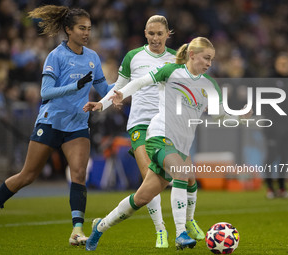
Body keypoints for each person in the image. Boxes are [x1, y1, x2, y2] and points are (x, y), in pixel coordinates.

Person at [83, 37, 252, 251]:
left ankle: (100, 226)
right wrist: (119, 94)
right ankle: (181, 232)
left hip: (180, 146)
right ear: (192, 55)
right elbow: (141, 82)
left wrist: (239, 117)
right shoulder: (171, 71)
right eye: (206, 58)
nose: (209, 63)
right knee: (183, 173)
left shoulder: (210, 85)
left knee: (142, 197)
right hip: (158, 136)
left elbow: (219, 115)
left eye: (212, 59)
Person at [0, 5, 113, 246]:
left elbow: (104, 90)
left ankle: (77, 230)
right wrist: (76, 86)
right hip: (50, 121)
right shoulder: (55, 56)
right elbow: (45, 91)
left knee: (79, 174)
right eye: (82, 28)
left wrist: (129, 88)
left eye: (89, 29)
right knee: (28, 175)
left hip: (77, 124)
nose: (86, 33)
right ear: (68, 30)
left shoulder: (93, 57)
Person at [86, 15, 204, 248]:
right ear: (145, 33)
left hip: (169, 125)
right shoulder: (133, 57)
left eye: (160, 33)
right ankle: (161, 230)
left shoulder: (176, 59)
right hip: (141, 124)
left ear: (168, 33)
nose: (155, 38)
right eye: (151, 33)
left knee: (189, 175)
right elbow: (120, 88)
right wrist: (103, 103)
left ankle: (188, 222)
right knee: (148, 179)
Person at [263, 53, 288, 199]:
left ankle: (282, 188)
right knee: (272, 156)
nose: (285, 66)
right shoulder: (270, 80)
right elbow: (264, 104)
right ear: (276, 64)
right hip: (273, 126)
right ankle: (270, 187)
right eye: (281, 63)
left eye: (287, 64)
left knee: (285, 157)